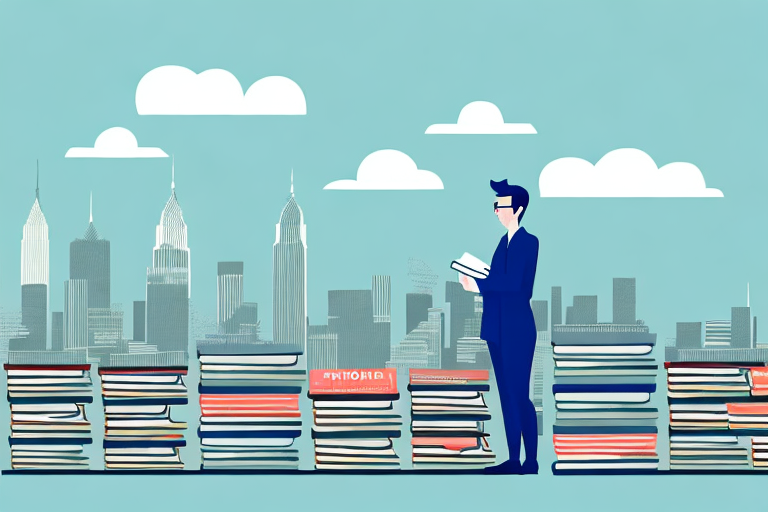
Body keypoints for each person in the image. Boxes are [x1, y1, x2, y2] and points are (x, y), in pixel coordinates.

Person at [459, 179, 539, 475]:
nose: (495, 211)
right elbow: (497, 280)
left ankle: (531, 461)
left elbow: (514, 284)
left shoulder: (528, 242)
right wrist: (477, 279)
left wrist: (478, 284)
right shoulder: (501, 242)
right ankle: (513, 459)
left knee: (519, 394)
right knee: (506, 394)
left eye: (500, 205)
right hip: (497, 328)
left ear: (516, 209)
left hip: (517, 328)